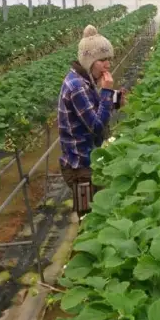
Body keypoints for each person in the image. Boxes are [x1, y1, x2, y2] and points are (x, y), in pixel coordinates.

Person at [58, 25, 125, 219]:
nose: (108, 65)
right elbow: (95, 126)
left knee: (96, 215)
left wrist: (114, 99)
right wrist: (106, 92)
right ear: (89, 61)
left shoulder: (82, 80)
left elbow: (91, 107)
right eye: (102, 60)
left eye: (109, 59)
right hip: (80, 168)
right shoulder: (77, 86)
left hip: (88, 162)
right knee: (87, 221)